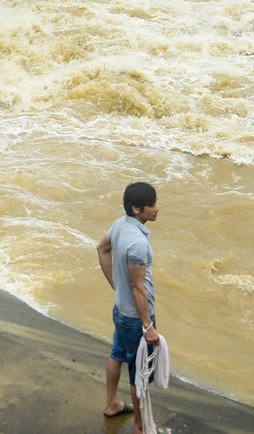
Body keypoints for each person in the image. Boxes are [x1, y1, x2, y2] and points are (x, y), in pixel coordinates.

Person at [96, 182, 160, 432]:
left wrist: (115, 284)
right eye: (151, 205)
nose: (157, 208)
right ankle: (140, 427)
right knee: (140, 374)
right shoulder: (138, 243)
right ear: (137, 209)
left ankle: (112, 403)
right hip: (136, 319)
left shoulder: (121, 225)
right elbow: (137, 287)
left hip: (121, 310)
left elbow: (102, 248)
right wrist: (148, 326)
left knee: (117, 354)